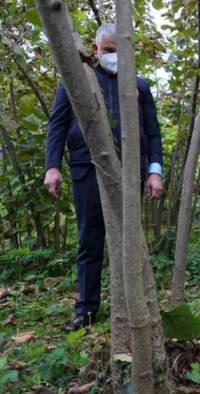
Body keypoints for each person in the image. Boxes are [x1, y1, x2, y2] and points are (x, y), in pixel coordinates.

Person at [44, 24, 163, 332]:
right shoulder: (77, 82)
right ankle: (87, 311)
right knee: (90, 238)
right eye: (109, 51)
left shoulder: (139, 86)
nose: (115, 57)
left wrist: (154, 172)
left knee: (129, 239)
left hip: (129, 169)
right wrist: (52, 166)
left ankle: (131, 304)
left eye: (121, 51)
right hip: (87, 168)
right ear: (95, 50)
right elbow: (57, 125)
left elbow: (152, 133)